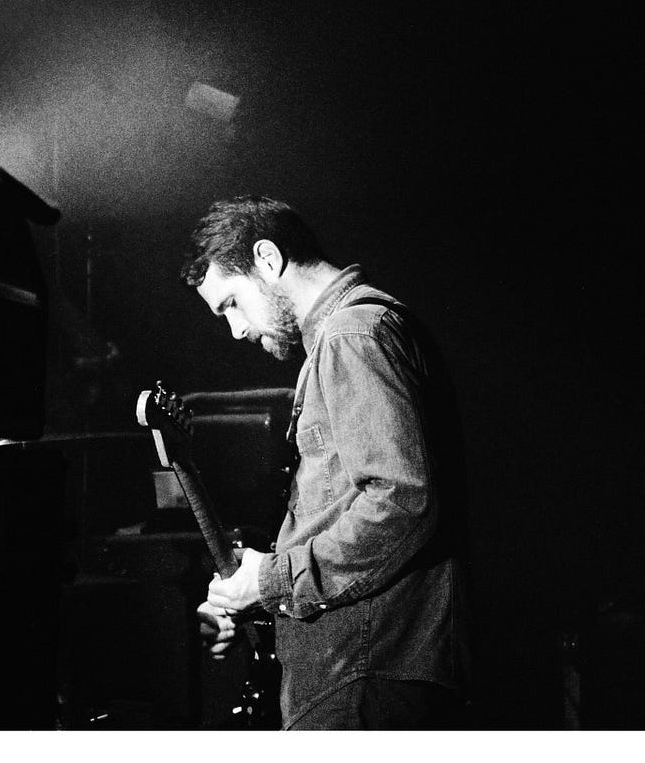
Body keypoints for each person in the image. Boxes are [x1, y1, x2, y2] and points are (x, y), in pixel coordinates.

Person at [181, 195, 473, 730]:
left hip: (364, 673)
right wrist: (250, 592)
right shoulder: (355, 333)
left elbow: (402, 502)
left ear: (267, 258)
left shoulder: (351, 335)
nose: (236, 330)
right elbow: (346, 514)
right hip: (361, 669)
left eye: (232, 304)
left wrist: (270, 580)